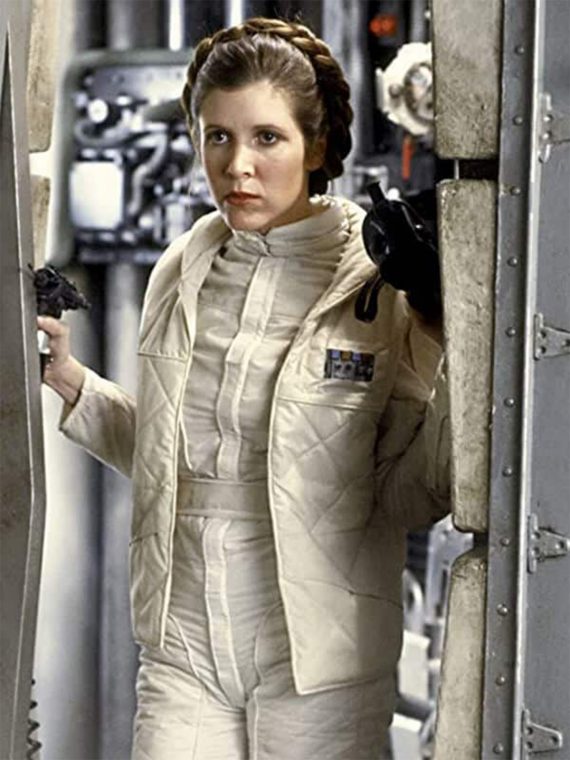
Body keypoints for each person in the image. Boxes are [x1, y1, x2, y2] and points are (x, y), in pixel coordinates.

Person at [39, 17, 449, 760]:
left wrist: (440, 320)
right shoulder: (183, 267)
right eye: (218, 137)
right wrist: (71, 380)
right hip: (183, 642)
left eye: (267, 138)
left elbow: (416, 492)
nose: (238, 166)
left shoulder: (377, 284)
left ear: (315, 147)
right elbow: (169, 461)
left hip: (319, 656)